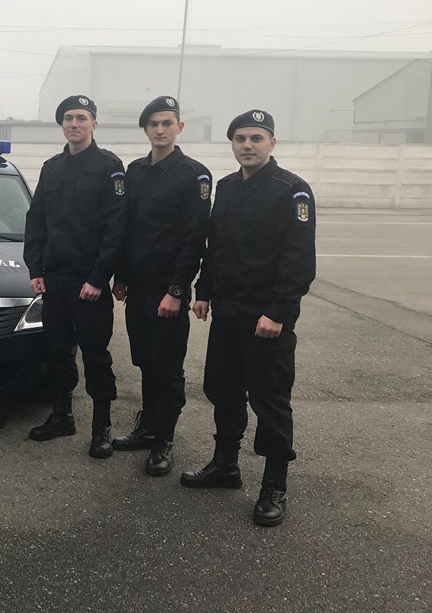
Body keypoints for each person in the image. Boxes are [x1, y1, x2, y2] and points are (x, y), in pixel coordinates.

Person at [181, 109, 316, 527]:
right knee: (223, 390)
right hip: (228, 314)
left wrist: (277, 312)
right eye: (240, 138)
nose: (247, 145)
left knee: (270, 402)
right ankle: (225, 466)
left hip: (266, 320)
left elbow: (298, 261)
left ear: (272, 142)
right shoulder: (226, 187)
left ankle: (274, 486)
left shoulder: (292, 190)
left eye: (256, 138)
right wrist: (204, 292)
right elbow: (216, 247)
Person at [111, 96, 211, 476]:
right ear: (145, 129)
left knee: (168, 368)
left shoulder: (194, 175)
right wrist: (121, 276)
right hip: (138, 288)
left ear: (179, 127)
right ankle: (148, 427)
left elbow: (193, 238)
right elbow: (127, 229)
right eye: (153, 124)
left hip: (168, 290)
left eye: (167, 123)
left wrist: (177, 290)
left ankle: (164, 439)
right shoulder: (134, 171)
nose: (160, 129)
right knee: (145, 362)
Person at [23, 95, 127, 458]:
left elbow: (116, 229)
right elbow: (36, 220)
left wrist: (99, 278)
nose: (74, 123)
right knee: (58, 350)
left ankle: (102, 427)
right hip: (55, 280)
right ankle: (62, 416)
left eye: (82, 117)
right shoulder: (51, 168)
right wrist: (35, 269)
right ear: (62, 125)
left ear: (94, 124)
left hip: (89, 283)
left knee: (96, 355)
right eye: (68, 118)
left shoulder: (110, 167)